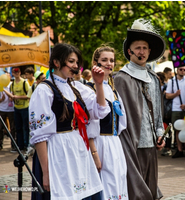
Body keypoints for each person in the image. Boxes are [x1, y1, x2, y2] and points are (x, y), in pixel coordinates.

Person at [29, 43, 110, 199]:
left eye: (77, 62)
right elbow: (40, 136)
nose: (75, 66)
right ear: (57, 62)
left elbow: (99, 111)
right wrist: (46, 172)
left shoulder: (76, 87)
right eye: (71, 61)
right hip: (57, 151)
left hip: (77, 149)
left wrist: (98, 84)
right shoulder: (44, 90)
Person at [114, 18, 165, 200]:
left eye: (144, 48)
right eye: (137, 48)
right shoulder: (121, 78)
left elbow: (158, 111)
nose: (141, 52)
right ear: (129, 51)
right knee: (135, 192)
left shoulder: (153, 78)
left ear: (149, 51)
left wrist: (160, 133)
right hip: (131, 145)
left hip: (151, 144)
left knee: (150, 189)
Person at [87, 45, 128, 200]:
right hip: (100, 143)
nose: (109, 63)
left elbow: (121, 122)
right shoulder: (89, 88)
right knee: (105, 181)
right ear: (96, 62)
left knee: (118, 178)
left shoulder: (113, 89)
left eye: (111, 60)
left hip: (114, 143)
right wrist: (94, 153)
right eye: (104, 60)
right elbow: (88, 124)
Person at [166, 66, 185, 158]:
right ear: (177, 70)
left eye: (184, 70)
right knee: (177, 129)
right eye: (181, 69)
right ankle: (179, 150)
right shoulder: (171, 81)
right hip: (176, 108)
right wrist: (175, 94)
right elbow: (167, 96)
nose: (183, 71)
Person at [9, 67, 30, 151]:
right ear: (13, 73)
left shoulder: (24, 82)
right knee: (18, 128)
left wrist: (17, 97)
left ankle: (26, 145)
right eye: (15, 72)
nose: (16, 73)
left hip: (25, 108)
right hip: (16, 108)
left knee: (26, 128)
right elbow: (12, 94)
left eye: (18, 72)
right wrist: (12, 98)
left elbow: (28, 96)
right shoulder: (12, 83)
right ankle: (20, 146)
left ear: (20, 72)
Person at [0, 72, 16, 152]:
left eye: (7, 75)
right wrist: (1, 100)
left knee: (13, 128)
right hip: (1, 109)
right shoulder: (0, 84)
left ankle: (13, 145)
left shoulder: (12, 85)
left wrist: (11, 97)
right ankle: (0, 144)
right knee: (0, 128)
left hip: (11, 109)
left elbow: (14, 96)